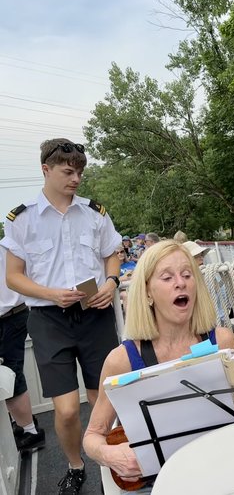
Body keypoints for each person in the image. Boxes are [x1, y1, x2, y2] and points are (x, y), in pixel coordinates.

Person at [1, 138, 122, 495]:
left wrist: (112, 281)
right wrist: (50, 293)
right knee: (68, 410)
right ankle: (75, 464)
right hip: (49, 319)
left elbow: (112, 254)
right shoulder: (21, 219)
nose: (76, 179)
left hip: (94, 315)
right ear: (46, 170)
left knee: (105, 398)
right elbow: (13, 276)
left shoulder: (95, 214)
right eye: (68, 172)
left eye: (80, 172)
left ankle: (110, 459)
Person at [83, 240, 234, 493]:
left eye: (187, 275)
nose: (181, 282)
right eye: (167, 277)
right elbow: (92, 436)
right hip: (156, 484)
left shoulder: (223, 341)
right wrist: (110, 455)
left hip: (220, 475)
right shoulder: (121, 360)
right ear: (147, 293)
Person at [0, 243, 45, 452]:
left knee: (9, 374)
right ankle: (25, 424)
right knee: (11, 371)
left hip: (8, 318)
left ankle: (30, 432)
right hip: (16, 313)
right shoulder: (7, 247)